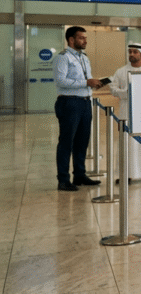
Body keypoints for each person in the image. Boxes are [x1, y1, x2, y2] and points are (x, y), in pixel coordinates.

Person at [53, 26, 103, 191]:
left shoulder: (84, 58)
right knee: (66, 142)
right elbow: (61, 81)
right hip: (69, 103)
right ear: (71, 40)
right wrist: (86, 83)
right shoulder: (63, 57)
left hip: (84, 102)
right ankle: (63, 179)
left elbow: (85, 79)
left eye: (85, 38)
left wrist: (93, 84)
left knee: (82, 141)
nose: (85, 41)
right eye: (81, 38)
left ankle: (80, 175)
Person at [108, 42, 141, 182]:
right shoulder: (121, 71)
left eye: (135, 52)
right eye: (130, 52)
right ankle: (126, 175)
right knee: (127, 144)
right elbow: (113, 89)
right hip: (126, 112)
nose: (132, 54)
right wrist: (126, 93)